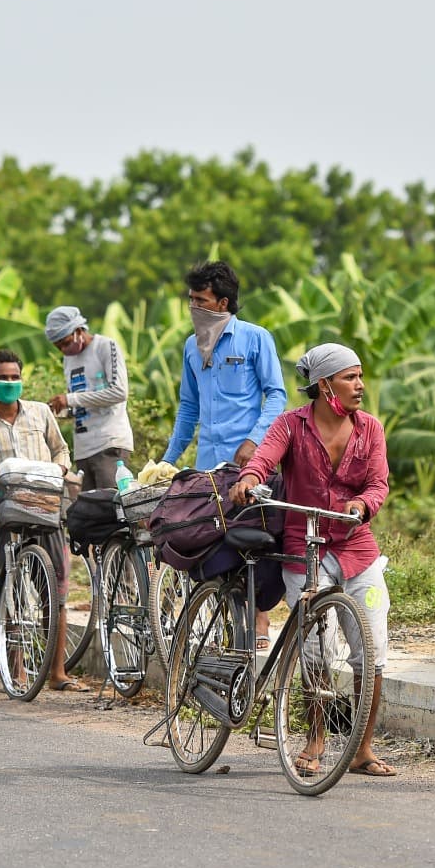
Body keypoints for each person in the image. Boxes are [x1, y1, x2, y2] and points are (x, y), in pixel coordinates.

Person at [230, 343, 396, 777]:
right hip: (306, 551)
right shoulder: (291, 425)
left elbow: (379, 483)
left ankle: (362, 746)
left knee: (372, 650)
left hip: (359, 551)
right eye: (350, 377)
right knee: (316, 651)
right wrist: (250, 477)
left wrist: (362, 504)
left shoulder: (370, 429)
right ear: (324, 386)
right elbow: (264, 458)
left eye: (361, 376)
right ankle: (316, 738)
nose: (360, 385)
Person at [164, 260, 287, 648]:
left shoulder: (255, 338)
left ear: (223, 303)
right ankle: (227, 627)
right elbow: (188, 408)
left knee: (255, 539)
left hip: (250, 464)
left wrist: (255, 441)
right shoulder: (191, 346)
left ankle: (261, 621)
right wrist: (169, 460)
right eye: (190, 299)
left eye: (201, 300)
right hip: (208, 466)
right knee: (214, 544)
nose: (193, 307)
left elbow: (277, 395)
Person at [0, 349, 83, 692]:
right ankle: (17, 671)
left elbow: (61, 451)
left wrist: (61, 469)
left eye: (14, 377)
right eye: (2, 378)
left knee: (57, 592)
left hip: (46, 509)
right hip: (6, 515)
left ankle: (57, 672)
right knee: (12, 592)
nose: (9, 383)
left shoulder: (40, 414)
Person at [43, 306, 135, 491]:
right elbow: (81, 404)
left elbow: (119, 392)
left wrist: (69, 399)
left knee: (111, 506)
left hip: (109, 443)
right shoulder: (69, 360)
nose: (63, 349)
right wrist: (60, 410)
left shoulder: (105, 346)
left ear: (77, 330)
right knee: (92, 512)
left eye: (65, 342)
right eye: (58, 346)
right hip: (84, 449)